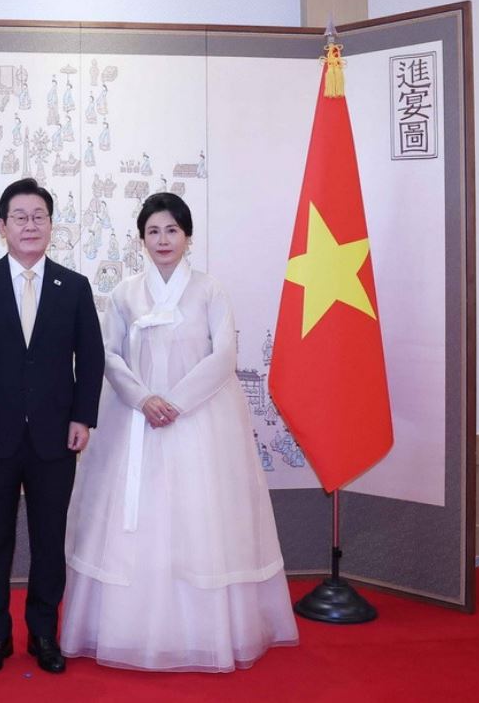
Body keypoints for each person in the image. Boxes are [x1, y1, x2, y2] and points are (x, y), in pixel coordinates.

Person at [61, 192, 298, 672]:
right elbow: (108, 355)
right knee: (137, 524)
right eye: (153, 231)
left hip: (199, 421)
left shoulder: (210, 290)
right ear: (141, 239)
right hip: (136, 421)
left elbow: (223, 357)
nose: (162, 239)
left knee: (199, 520)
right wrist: (144, 398)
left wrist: (177, 402)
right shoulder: (125, 293)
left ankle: (204, 633)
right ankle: (127, 629)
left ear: (188, 236)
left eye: (171, 230)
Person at [0, 178, 104, 676]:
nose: (30, 225)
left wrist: (83, 417)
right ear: (2, 227)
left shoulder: (74, 286)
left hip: (54, 438)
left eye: (39, 216)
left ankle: (43, 634)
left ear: (51, 225)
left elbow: (92, 359)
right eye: (20, 216)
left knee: (48, 542)